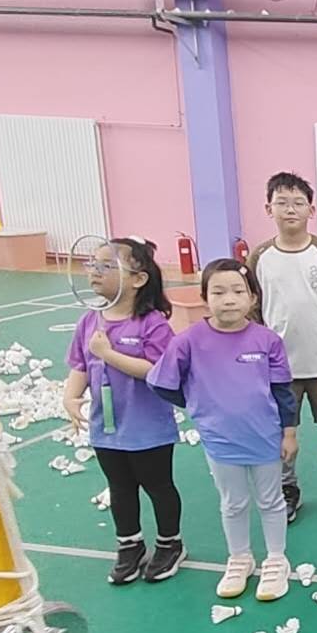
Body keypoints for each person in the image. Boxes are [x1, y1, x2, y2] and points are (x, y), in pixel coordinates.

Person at [147, 259, 297, 601]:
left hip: (265, 437)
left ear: (253, 298)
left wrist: (289, 432)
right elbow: (162, 382)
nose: (228, 299)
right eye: (218, 292)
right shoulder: (187, 341)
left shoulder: (268, 340)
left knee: (271, 500)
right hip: (220, 440)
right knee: (233, 502)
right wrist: (197, 404)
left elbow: (283, 391)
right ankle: (240, 557)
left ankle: (276, 559)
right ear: (204, 298)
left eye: (237, 291)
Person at [63, 238, 184, 584]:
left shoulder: (151, 323)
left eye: (107, 265)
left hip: (147, 428)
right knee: (119, 487)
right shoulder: (89, 322)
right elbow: (80, 365)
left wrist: (108, 354)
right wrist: (71, 396)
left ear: (139, 279)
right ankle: (129, 544)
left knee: (158, 485)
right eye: (92, 264)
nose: (95, 271)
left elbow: (156, 370)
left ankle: (170, 543)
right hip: (106, 428)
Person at [247, 171, 317, 524]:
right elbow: (254, 307)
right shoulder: (260, 256)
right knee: (280, 432)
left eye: (298, 203)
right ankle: (287, 488)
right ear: (268, 208)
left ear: (311, 209)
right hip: (280, 369)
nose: (290, 209)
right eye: (282, 202)